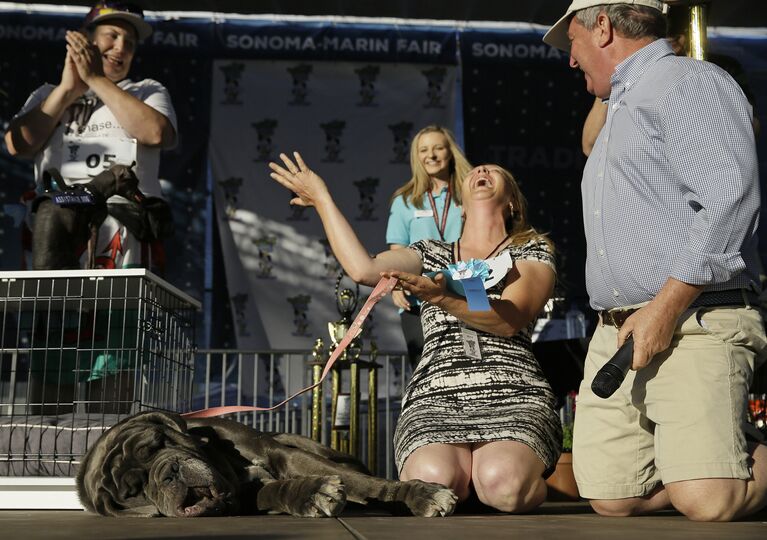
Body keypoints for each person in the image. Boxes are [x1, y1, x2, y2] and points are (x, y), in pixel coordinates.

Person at [544, 0, 767, 521]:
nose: (570, 60)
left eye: (571, 42)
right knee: (614, 494)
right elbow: (588, 138)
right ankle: (710, 449)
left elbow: (730, 198)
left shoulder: (687, 82)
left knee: (707, 501)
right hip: (617, 330)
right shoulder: (623, 103)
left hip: (692, 317)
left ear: (602, 27)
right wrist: (613, 82)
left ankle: (717, 462)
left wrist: (664, 309)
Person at [269, 152, 562, 512]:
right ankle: (467, 485)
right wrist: (322, 200)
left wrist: (441, 297)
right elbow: (363, 269)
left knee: (503, 484)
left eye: (496, 171)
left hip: (513, 394)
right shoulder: (429, 252)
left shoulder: (530, 252)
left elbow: (507, 320)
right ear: (461, 206)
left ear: (512, 201)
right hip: (436, 397)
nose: (483, 170)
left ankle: (508, 485)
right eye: (477, 171)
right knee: (433, 479)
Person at [4, 1, 177, 271]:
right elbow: (18, 144)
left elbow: (155, 133)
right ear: (87, 41)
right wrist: (66, 90)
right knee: (55, 308)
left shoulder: (146, 91)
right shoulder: (47, 94)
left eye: (130, 43)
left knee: (116, 311)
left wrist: (97, 79)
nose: (121, 47)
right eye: (112, 36)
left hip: (123, 226)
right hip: (57, 223)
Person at [580, 4, 760, 157]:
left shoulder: (723, 67)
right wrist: (613, 77)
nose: (667, 45)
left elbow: (750, 128)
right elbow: (590, 144)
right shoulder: (631, 72)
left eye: (674, 36)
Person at [386, 126, 472, 369]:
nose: (431, 155)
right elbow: (397, 251)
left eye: (438, 148)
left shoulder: (470, 194)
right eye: (424, 150)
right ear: (417, 157)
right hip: (418, 301)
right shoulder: (405, 200)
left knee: (470, 367)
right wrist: (395, 285)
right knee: (428, 371)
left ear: (450, 152)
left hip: (465, 294)